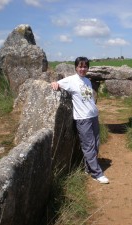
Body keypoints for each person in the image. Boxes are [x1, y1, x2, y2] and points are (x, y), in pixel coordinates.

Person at [51, 56, 109, 184]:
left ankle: (88, 168)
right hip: (82, 119)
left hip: (93, 116)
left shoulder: (87, 81)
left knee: (96, 144)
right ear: (76, 67)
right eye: (80, 66)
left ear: (87, 68)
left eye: (85, 66)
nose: (82, 69)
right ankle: (97, 174)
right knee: (88, 146)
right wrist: (55, 84)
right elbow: (57, 84)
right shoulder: (71, 80)